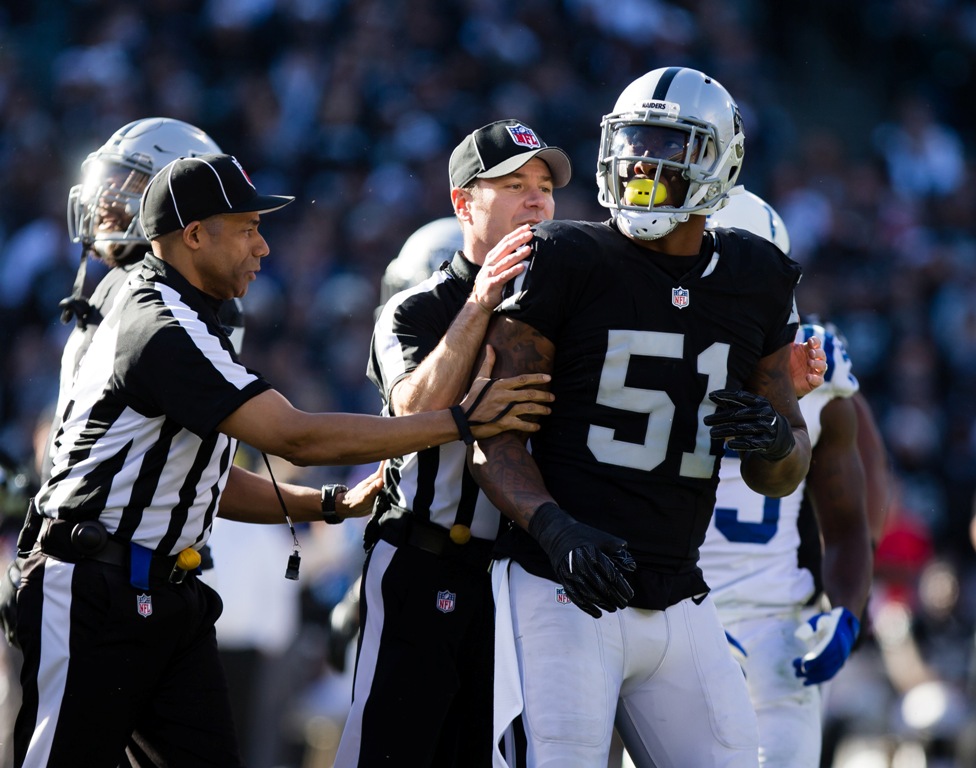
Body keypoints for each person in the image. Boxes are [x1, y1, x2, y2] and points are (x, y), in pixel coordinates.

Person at [14, 153, 554, 768]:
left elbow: (196, 484)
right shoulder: (160, 323)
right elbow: (294, 438)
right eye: (247, 228)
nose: (263, 247)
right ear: (194, 235)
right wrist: (459, 421)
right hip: (89, 586)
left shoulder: (184, 312)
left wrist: (324, 503)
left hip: (158, 592)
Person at [470, 66, 813, 767]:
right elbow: (494, 435)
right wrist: (554, 526)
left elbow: (783, 470)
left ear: (723, 160)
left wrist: (776, 441)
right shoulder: (566, 255)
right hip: (564, 586)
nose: (644, 161)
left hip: (681, 590)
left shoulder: (757, 277)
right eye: (634, 139)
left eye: (670, 142)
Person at [334, 119, 572, 767]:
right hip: (424, 559)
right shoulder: (415, 307)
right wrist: (483, 299)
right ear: (464, 202)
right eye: (515, 183)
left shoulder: (569, 303)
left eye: (544, 186)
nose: (536, 199)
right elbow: (412, 409)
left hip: (521, 578)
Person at [683, 190, 877, 768]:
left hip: (776, 631)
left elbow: (851, 524)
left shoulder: (816, 361)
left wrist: (844, 613)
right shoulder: (645, 348)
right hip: (666, 615)